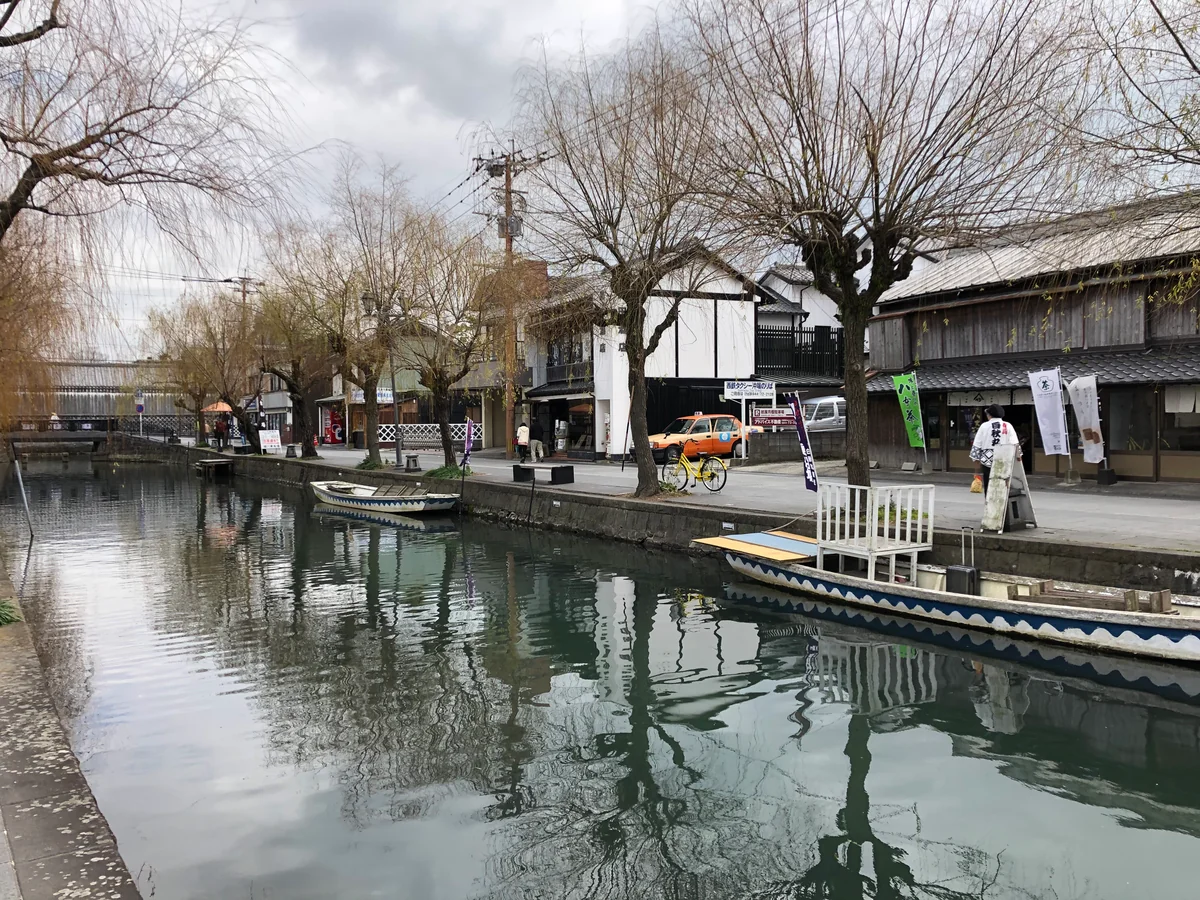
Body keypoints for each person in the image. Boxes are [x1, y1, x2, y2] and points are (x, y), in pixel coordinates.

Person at [970, 404, 1021, 495]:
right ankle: (1003, 507)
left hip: (987, 462)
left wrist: (976, 471)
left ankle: (989, 506)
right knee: (1003, 485)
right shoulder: (1008, 425)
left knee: (989, 487)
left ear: (989, 415)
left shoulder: (984, 426)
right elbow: (1015, 445)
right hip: (1004, 460)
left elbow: (976, 447)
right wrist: (1018, 459)